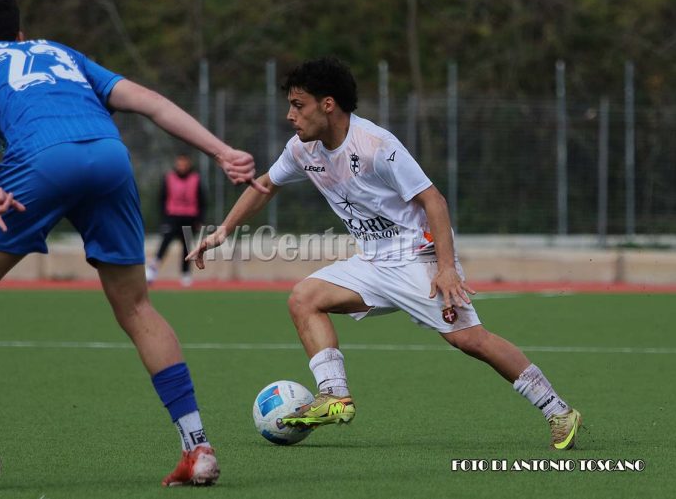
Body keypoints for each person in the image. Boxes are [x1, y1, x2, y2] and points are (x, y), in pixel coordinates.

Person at [0, 0, 268, 489]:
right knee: (137, 307)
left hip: (39, 159)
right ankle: (197, 449)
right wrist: (220, 151)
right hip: (109, 156)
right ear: (22, 35)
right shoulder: (61, 53)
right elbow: (149, 101)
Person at [188, 57, 582, 450]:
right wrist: (224, 230)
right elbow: (265, 186)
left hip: (418, 258)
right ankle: (334, 396)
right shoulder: (301, 150)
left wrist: (446, 269)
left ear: (328, 105)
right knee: (304, 298)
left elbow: (434, 200)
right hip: (373, 262)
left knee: (471, 341)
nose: (291, 115)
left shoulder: (377, 146)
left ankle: (558, 410)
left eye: (298, 104)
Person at [145, 154, 204, 286]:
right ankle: (151, 272)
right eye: (179, 163)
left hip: (190, 218)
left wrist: (199, 219)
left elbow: (202, 201)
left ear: (189, 164)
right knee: (163, 245)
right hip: (172, 218)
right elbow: (162, 199)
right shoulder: (169, 178)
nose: (182, 166)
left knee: (187, 249)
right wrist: (164, 218)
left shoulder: (196, 179)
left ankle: (185, 275)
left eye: (184, 163)